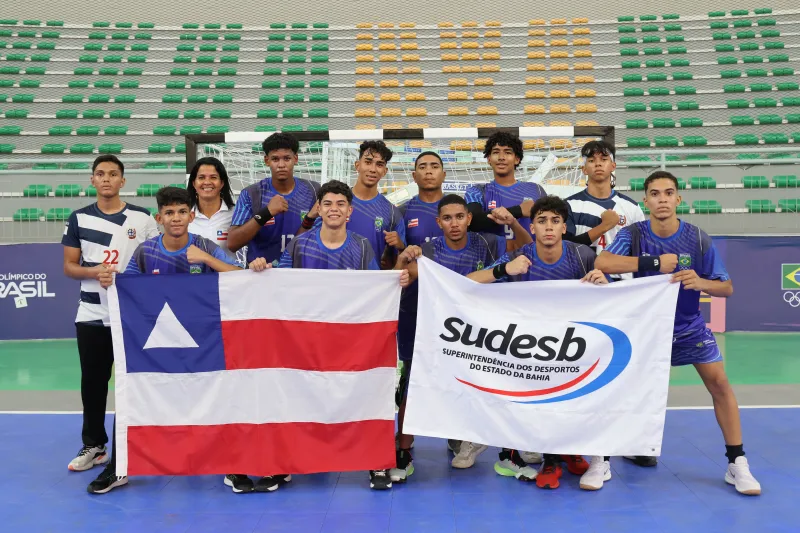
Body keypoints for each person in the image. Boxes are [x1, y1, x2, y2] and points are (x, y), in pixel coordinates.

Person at [596, 171, 762, 496]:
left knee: (720, 385)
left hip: (687, 327)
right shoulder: (634, 234)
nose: (662, 199)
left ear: (678, 199)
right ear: (646, 201)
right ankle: (600, 458)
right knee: (616, 389)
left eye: (668, 193)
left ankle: (737, 462)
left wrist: (701, 282)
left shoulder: (698, 239)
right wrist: (655, 262)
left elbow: (726, 287)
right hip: (642, 327)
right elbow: (602, 261)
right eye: (655, 194)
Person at [251, 180, 410, 490]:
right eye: (328, 204)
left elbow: (376, 289)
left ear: (349, 211)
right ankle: (282, 464)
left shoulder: (362, 246)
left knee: (368, 397)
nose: (334, 209)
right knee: (292, 399)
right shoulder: (300, 245)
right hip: (304, 343)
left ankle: (376, 463)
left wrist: (397, 279)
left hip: (351, 344)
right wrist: (260, 266)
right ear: (319, 209)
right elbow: (276, 277)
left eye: (340, 204)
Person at [86, 186, 244, 495]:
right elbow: (125, 285)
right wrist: (109, 280)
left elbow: (239, 275)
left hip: (205, 343)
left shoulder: (206, 246)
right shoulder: (146, 251)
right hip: (158, 346)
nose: (176, 218)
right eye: (169, 213)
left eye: (182, 212)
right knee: (133, 393)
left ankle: (232, 466)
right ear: (159, 217)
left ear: (192, 215)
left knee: (221, 395)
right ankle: (119, 467)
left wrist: (207, 260)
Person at [467, 195, 607, 490]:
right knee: (539, 399)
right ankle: (551, 459)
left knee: (582, 395)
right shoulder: (522, 257)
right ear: (532, 228)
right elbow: (469, 282)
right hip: (532, 348)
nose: (548, 227)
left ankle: (570, 452)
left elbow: (612, 300)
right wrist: (504, 270)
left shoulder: (582, 256)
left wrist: (604, 285)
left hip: (573, 346)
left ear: (564, 228)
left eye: (555, 221)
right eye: (542, 221)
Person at [392, 195, 530, 482]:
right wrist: (402, 264)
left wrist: (515, 223)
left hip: (478, 333)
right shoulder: (428, 251)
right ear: (438, 222)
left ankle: (508, 454)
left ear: (468, 218)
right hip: (433, 331)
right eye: (447, 218)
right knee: (412, 389)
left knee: (498, 385)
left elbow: (526, 247)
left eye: (459, 217)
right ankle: (403, 453)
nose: (453, 223)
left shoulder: (488, 243)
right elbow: (402, 277)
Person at [61, 155, 160, 478]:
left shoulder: (142, 218)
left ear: (123, 181)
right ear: (92, 180)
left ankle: (128, 448)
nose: (106, 179)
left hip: (130, 315)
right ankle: (94, 445)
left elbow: (153, 262)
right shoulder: (78, 219)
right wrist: (95, 272)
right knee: (93, 382)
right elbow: (69, 267)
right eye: (100, 174)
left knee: (131, 384)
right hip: (91, 313)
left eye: (113, 174)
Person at [565, 140, 652, 472]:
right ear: (584, 167)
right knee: (584, 370)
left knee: (626, 370)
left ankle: (630, 441)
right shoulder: (569, 206)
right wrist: (603, 225)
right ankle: (587, 443)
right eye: (592, 159)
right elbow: (568, 247)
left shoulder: (632, 209)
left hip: (623, 298)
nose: (598, 163)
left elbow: (641, 256)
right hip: (584, 296)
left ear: (613, 167)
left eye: (605, 158)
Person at [227, 132, 319, 266]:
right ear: (266, 161)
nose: (281, 165)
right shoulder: (251, 194)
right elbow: (233, 243)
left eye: (287, 158)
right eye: (275, 159)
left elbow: (323, 236)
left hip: (301, 273)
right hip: (262, 274)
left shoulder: (314, 191)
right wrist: (266, 213)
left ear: (296, 159)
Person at [323, 140, 406, 268]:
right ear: (357, 165)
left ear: (384, 171)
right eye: (368, 162)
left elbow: (397, 261)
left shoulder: (392, 213)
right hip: (334, 280)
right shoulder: (334, 204)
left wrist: (399, 247)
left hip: (370, 284)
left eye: (379, 164)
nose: (372, 169)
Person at [464, 131, 546, 251]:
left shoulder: (536, 190)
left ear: (517, 159)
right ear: (489, 159)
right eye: (496, 152)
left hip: (530, 260)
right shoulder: (477, 191)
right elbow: (472, 221)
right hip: (492, 263)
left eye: (508, 153)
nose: (501, 157)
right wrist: (519, 210)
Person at [187, 156, 238, 262]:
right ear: (193, 183)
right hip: (193, 277)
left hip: (226, 276)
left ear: (222, 183)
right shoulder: (185, 215)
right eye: (201, 177)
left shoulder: (236, 214)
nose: (207, 182)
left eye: (213, 177)